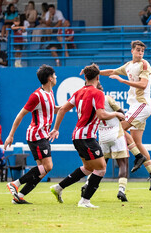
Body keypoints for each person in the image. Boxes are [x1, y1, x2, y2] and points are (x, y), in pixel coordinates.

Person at [49, 64, 125, 208]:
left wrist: (56, 128)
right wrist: (116, 113)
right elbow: (101, 114)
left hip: (77, 136)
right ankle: (85, 201)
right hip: (87, 137)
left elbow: (62, 109)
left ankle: (59, 187)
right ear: (98, 77)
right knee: (101, 168)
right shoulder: (98, 93)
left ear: (85, 77)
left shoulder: (78, 92)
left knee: (88, 168)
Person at [98, 40, 151, 191]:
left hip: (142, 105)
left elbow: (143, 85)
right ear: (132, 51)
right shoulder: (128, 65)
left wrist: (123, 81)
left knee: (118, 129)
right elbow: (112, 71)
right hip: (136, 106)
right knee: (137, 142)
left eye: (142, 51)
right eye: (138, 50)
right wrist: (96, 72)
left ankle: (139, 157)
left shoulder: (144, 65)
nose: (140, 53)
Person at [4, 65, 59, 204]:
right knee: (48, 167)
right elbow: (20, 115)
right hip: (37, 135)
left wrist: (70, 106)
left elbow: (53, 109)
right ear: (50, 78)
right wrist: (11, 135)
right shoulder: (36, 96)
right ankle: (15, 183)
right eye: (55, 75)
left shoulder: (50, 93)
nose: (56, 77)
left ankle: (19, 196)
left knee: (42, 171)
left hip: (43, 135)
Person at [82, 85, 129, 202]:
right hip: (115, 134)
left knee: (99, 165)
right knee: (123, 163)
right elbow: (120, 111)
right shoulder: (107, 98)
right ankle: (121, 190)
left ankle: (87, 183)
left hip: (102, 136)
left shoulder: (89, 101)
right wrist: (120, 117)